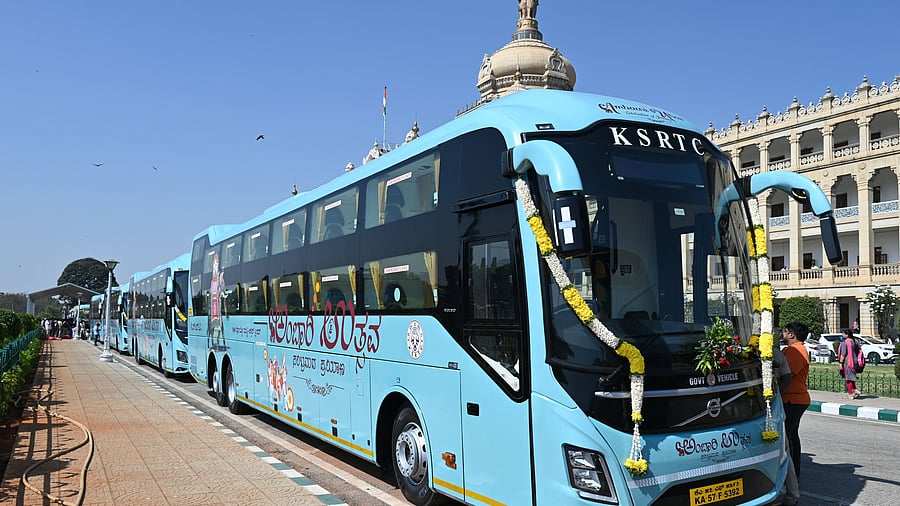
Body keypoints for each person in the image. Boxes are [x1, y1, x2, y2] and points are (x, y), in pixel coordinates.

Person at [781, 321, 811, 482]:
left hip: (793, 398)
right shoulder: (794, 349)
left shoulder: (795, 351)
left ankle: (791, 475)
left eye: (785, 331)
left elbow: (786, 376)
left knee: (787, 438)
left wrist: (775, 393)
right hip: (795, 398)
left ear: (792, 334)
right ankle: (794, 474)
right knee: (792, 436)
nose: (783, 334)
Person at [771, 341, 798, 505]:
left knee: (784, 450)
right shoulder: (774, 353)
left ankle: (791, 494)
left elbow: (787, 377)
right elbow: (787, 377)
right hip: (761, 408)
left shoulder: (773, 354)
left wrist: (776, 395)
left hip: (770, 407)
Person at [838, 329, 861, 399]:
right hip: (855, 361)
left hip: (848, 362)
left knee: (848, 378)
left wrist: (840, 363)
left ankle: (850, 394)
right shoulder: (855, 341)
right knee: (852, 376)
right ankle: (855, 390)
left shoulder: (845, 343)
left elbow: (843, 354)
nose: (842, 335)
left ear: (847, 335)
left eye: (843, 333)